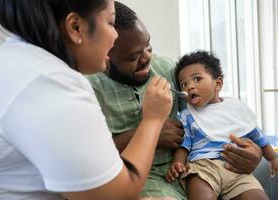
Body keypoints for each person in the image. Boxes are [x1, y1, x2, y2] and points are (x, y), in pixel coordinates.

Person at [0, 0, 174, 200]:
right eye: (111, 23)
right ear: (75, 27)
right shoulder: (52, 84)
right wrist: (153, 120)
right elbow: (117, 195)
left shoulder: (6, 61)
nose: (115, 36)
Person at [86, 1, 263, 199]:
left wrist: (254, 152)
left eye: (148, 46)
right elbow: (87, 158)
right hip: (134, 180)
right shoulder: (86, 87)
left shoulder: (166, 69)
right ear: (106, 56)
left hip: (187, 171)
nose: (146, 59)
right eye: (132, 57)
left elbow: (208, 112)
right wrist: (149, 132)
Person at [165, 51, 278, 200]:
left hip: (237, 170)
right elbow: (184, 144)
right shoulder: (188, 115)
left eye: (197, 79)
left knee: (258, 197)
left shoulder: (235, 109)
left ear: (218, 83)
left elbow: (258, 137)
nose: (189, 87)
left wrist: (274, 160)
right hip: (203, 168)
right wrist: (177, 163)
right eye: (184, 84)